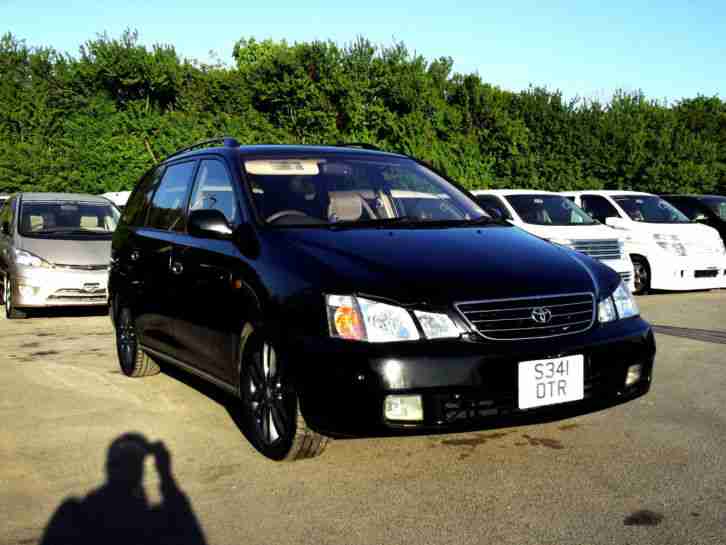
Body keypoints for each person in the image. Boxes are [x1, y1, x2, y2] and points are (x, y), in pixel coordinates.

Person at [40, 433, 206, 545]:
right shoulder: (155, 522)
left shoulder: (75, 513)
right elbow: (190, 531)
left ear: (109, 467)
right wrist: (165, 473)